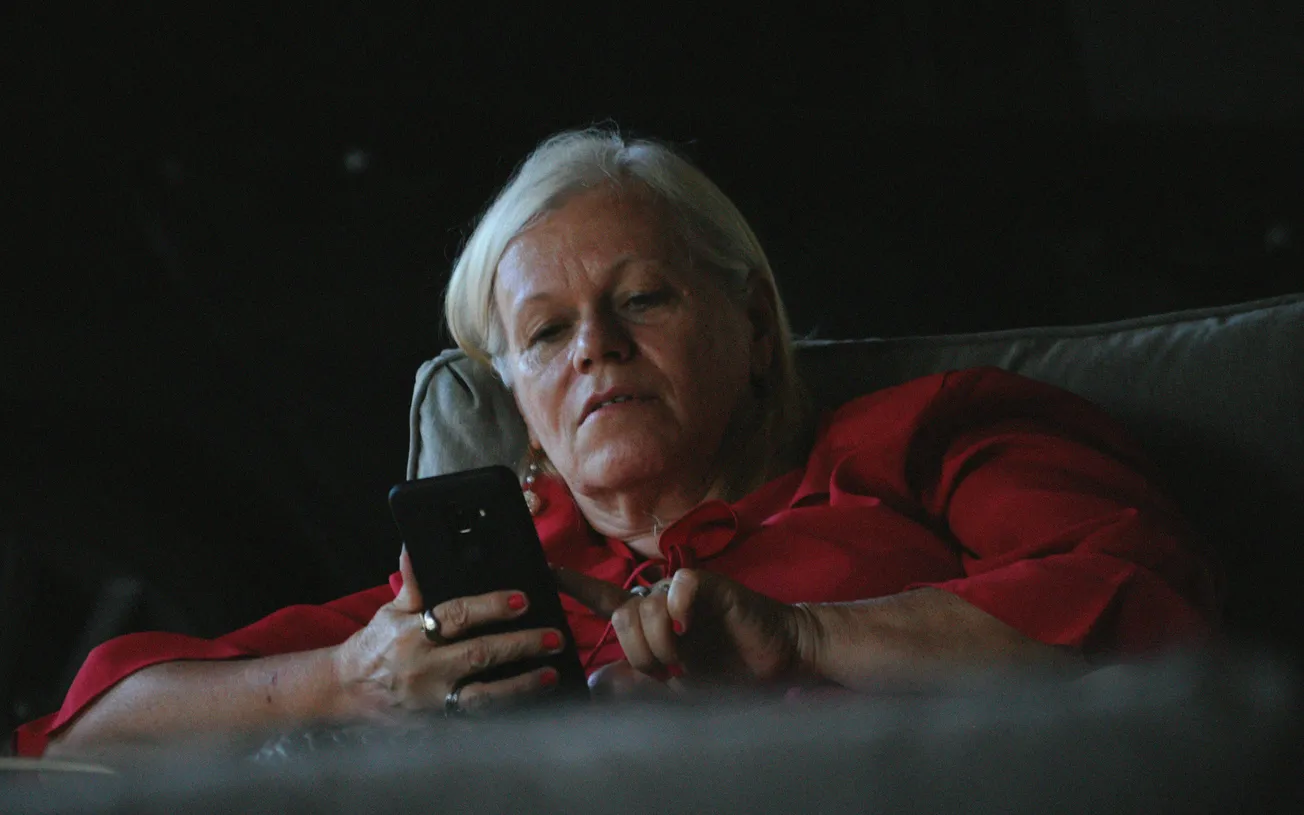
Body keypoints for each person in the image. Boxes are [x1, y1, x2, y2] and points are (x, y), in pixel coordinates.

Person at [15, 127, 1220, 757]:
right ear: (522, 407)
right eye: (544, 333)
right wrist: (347, 676)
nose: (591, 348)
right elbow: (92, 730)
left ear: (752, 327)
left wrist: (800, 637)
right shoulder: (475, 587)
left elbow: (1141, 610)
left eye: (640, 299)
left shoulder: (931, 434)